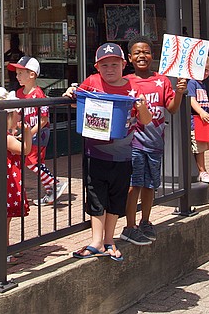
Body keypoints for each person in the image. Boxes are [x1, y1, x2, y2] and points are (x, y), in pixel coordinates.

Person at [63, 42, 152, 261]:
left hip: (123, 154)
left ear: (124, 64)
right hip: (95, 153)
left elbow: (146, 120)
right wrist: (71, 92)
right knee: (96, 196)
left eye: (114, 64)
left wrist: (141, 107)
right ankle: (96, 241)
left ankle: (109, 239)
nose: (109, 69)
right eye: (104, 65)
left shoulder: (133, 87)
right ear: (96, 67)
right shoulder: (92, 82)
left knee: (116, 197)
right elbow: (76, 101)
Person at [121, 36, 187, 246]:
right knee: (134, 185)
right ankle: (129, 226)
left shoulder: (163, 80)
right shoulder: (125, 82)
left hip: (155, 143)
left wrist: (179, 92)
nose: (142, 56)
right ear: (130, 58)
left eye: (146, 52)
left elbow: (173, 109)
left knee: (150, 185)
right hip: (133, 143)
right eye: (137, 52)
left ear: (153, 56)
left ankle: (145, 221)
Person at [7, 55, 68, 205]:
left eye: (21, 72)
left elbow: (43, 120)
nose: (17, 75)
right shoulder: (19, 93)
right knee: (36, 162)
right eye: (17, 72)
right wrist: (16, 130)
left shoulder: (38, 94)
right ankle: (51, 190)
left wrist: (29, 133)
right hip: (28, 133)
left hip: (39, 133)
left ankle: (55, 183)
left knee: (31, 162)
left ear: (32, 74)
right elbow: (18, 114)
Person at [0, 101, 34, 263]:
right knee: (3, 217)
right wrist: (27, 132)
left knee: (5, 217)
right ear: (10, 117)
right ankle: (2, 249)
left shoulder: (4, 136)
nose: (19, 116)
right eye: (17, 114)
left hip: (7, 180)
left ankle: (5, 247)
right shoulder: (6, 138)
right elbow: (26, 150)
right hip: (7, 181)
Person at [188, 58, 209, 183]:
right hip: (195, 121)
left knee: (204, 146)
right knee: (199, 148)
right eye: (203, 69)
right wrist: (201, 112)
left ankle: (201, 170)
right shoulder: (192, 83)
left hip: (202, 121)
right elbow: (191, 99)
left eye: (208, 70)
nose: (205, 72)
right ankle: (202, 171)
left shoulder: (202, 84)